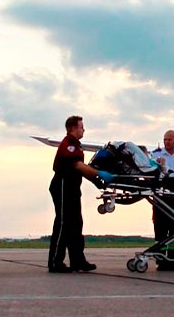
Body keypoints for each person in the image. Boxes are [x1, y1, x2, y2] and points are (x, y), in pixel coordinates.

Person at [49, 115, 110, 273]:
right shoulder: (68, 144)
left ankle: (78, 261)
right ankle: (55, 262)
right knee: (63, 223)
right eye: (81, 127)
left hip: (73, 188)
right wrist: (99, 173)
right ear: (73, 128)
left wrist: (96, 180)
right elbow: (77, 165)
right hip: (63, 186)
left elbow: (82, 169)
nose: (84, 129)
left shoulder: (77, 145)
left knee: (76, 224)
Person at [146, 129, 174, 271]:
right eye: (165, 139)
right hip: (161, 197)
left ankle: (173, 260)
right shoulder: (155, 154)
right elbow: (148, 169)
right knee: (160, 228)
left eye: (169, 139)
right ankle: (161, 261)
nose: (167, 142)